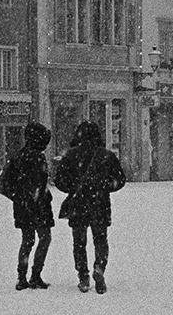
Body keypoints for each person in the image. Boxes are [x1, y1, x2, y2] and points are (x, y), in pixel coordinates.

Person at [53, 121, 126, 293]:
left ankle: (83, 275)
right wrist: (104, 187)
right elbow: (120, 180)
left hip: (78, 204)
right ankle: (99, 267)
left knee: (79, 242)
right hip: (100, 203)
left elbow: (59, 181)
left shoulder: (70, 156)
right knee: (100, 240)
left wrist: (73, 189)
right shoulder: (106, 156)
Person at [0, 122, 54, 290]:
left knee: (27, 240)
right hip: (38, 205)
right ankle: (35, 274)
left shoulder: (18, 156)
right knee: (44, 238)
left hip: (22, 205)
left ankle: (22, 276)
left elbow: (11, 182)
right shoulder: (37, 157)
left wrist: (21, 198)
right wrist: (39, 198)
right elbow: (40, 183)